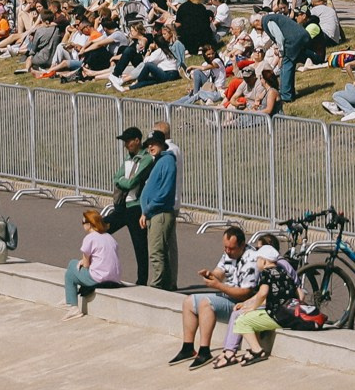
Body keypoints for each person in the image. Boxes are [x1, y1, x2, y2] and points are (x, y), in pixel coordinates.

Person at [169, 225, 257, 369]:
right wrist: (210, 275)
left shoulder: (251, 260)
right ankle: (188, 347)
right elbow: (220, 272)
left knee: (206, 304)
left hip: (240, 303)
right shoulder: (229, 254)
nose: (227, 251)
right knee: (189, 302)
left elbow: (245, 293)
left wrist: (218, 286)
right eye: (225, 247)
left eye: (231, 248)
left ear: (242, 245)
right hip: (226, 295)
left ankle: (204, 351)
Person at [107, 127, 152, 283]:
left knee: (140, 246)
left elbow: (133, 182)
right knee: (100, 229)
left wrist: (123, 182)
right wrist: (123, 182)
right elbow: (116, 177)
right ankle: (100, 268)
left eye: (128, 141)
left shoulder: (146, 158)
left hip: (136, 207)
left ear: (137, 141)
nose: (126, 145)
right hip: (122, 207)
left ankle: (142, 281)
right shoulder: (128, 158)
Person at [63, 206, 124, 318]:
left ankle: (72, 306)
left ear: (89, 224)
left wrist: (82, 262)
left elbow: (86, 265)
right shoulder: (110, 237)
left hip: (99, 278)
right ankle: (70, 297)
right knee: (75, 269)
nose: (82, 224)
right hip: (115, 279)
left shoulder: (90, 238)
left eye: (83, 221)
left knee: (72, 266)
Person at [140, 129, 180, 290]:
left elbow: (165, 191)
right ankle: (166, 284)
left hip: (160, 212)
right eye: (149, 145)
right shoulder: (159, 161)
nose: (150, 147)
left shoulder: (167, 161)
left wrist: (149, 208)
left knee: (156, 252)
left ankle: (157, 285)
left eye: (154, 144)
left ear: (162, 144)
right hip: (153, 212)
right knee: (159, 250)